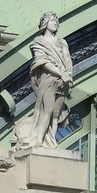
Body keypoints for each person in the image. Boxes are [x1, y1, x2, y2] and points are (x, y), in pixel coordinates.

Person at [27, 12, 73, 147]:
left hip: (62, 82)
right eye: (53, 20)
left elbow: (67, 59)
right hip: (48, 80)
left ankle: (52, 141)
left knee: (56, 113)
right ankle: (39, 141)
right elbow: (41, 61)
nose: (56, 23)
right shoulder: (38, 43)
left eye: (57, 21)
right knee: (47, 110)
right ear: (45, 23)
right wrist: (60, 73)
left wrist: (68, 74)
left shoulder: (62, 42)